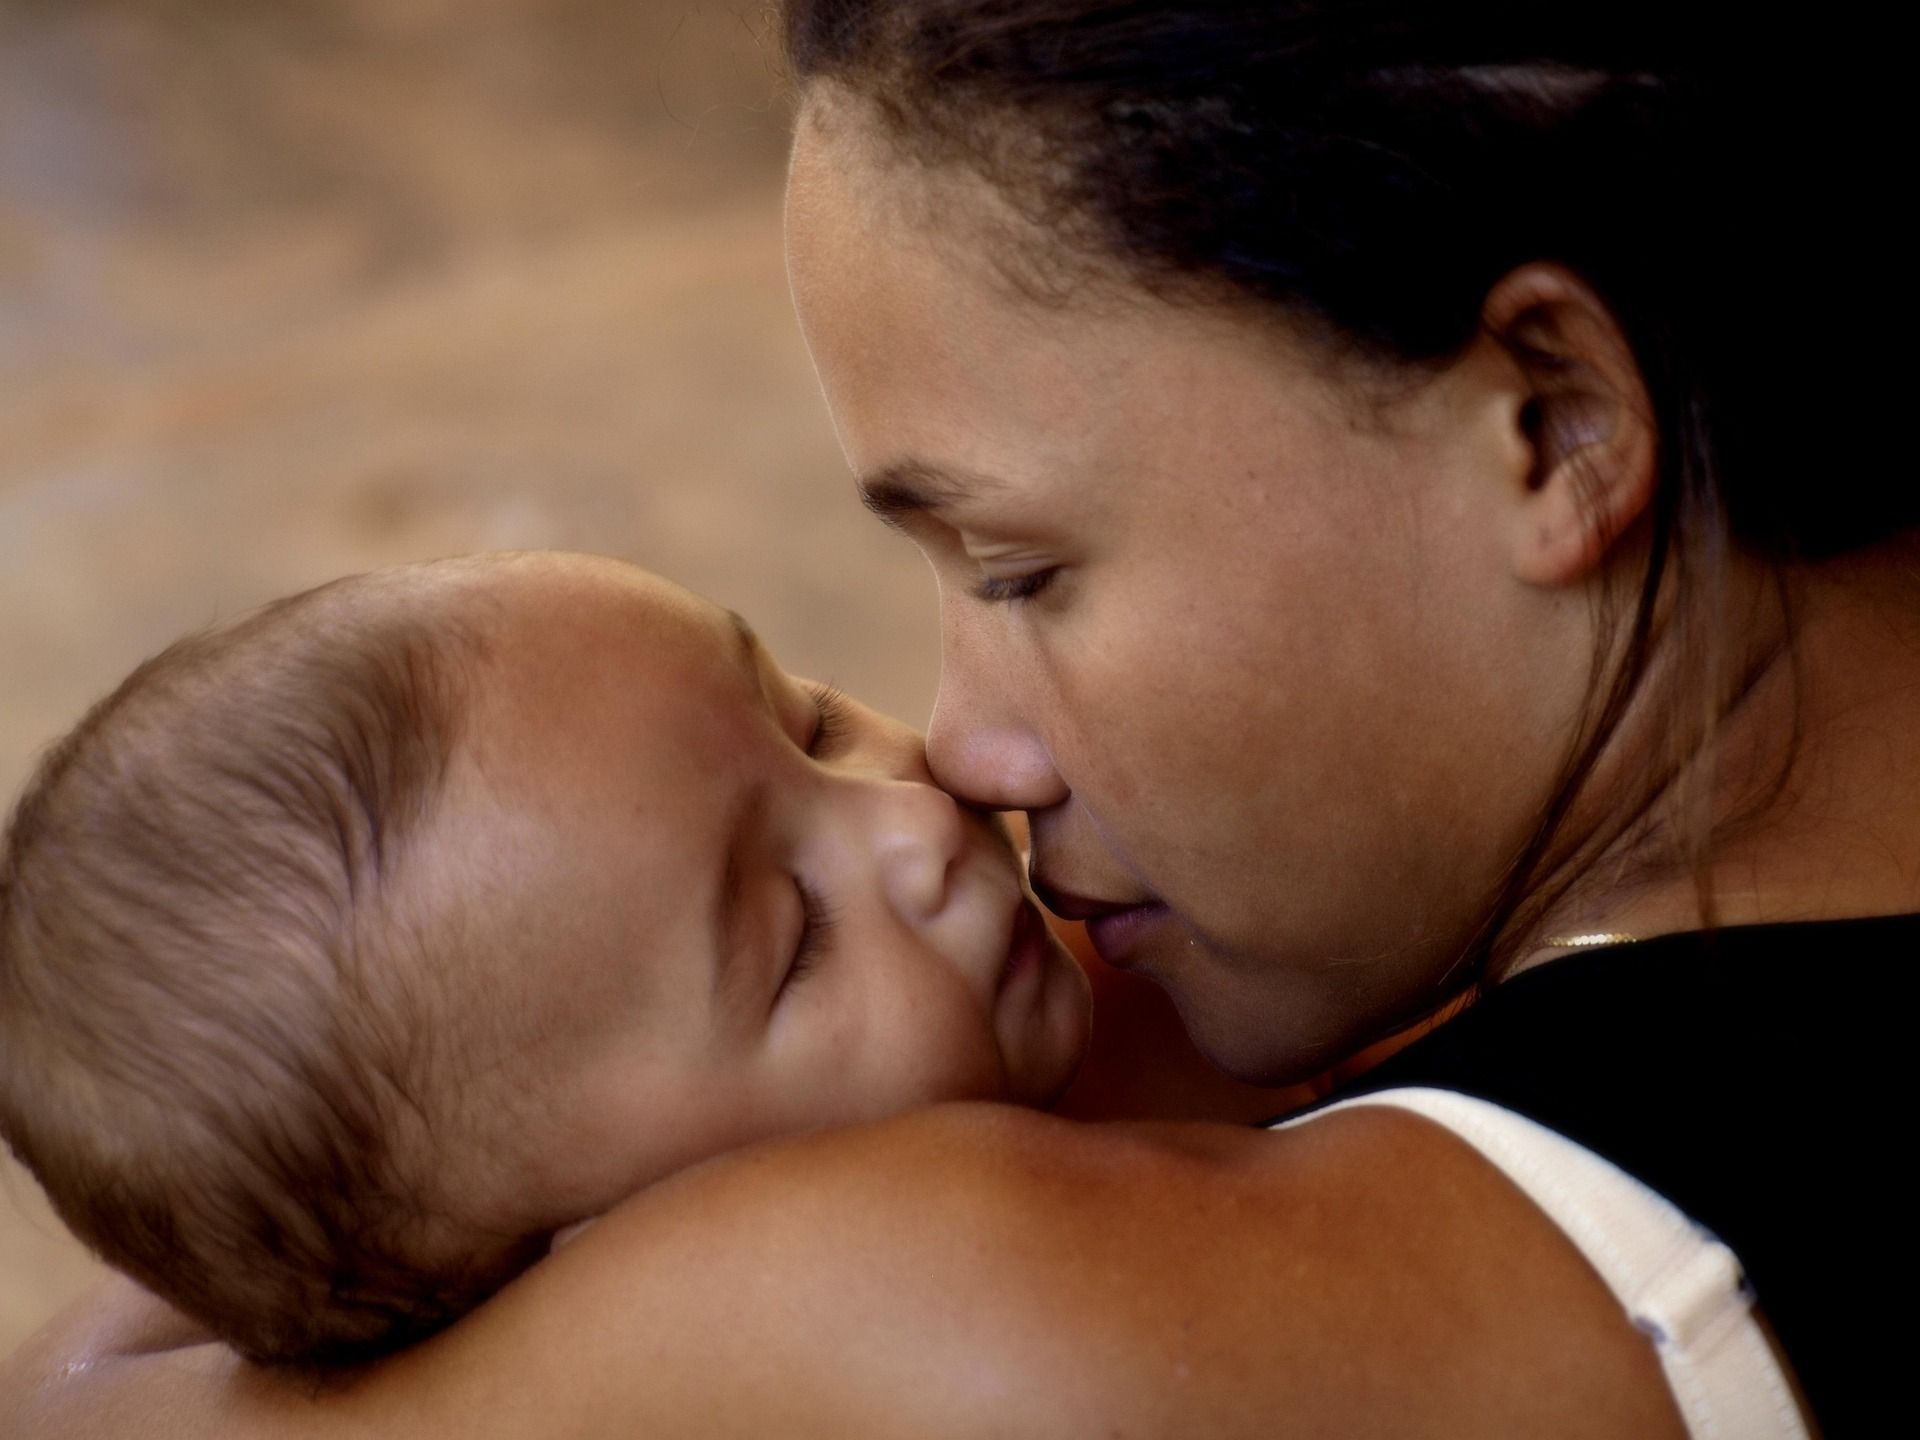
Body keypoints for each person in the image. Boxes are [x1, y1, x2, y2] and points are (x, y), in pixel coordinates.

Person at [2, 4, 1903, 1435]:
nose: (959, 765)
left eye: (1020, 573)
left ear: (1555, 428)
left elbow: (916, 1301)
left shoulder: (1506, 1253)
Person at [0, 552, 1091, 1366]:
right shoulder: (963, 1349)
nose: (915, 820)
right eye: (797, 933)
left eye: (811, 726)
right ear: (596, 1273)